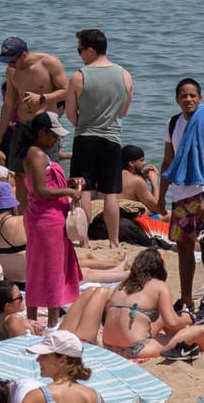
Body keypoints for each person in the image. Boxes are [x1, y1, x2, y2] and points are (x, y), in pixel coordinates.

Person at [160, 77, 204, 317]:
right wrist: (161, 196)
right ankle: (186, 299)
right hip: (180, 196)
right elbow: (168, 161)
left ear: (200, 98)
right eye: (183, 95)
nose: (188, 99)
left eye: (193, 95)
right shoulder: (172, 124)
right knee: (184, 249)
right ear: (177, 99)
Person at [65, 28, 131, 249]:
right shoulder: (124, 74)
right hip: (112, 139)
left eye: (80, 50)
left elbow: (70, 113)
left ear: (90, 50)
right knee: (111, 193)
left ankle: (84, 240)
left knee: (84, 189)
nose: (80, 54)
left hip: (85, 137)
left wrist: (82, 125)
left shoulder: (79, 76)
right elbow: (124, 110)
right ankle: (114, 241)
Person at [22, 112, 82, 325]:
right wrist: (68, 192)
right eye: (54, 135)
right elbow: (39, 190)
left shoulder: (38, 153)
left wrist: (67, 185)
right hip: (46, 220)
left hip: (47, 218)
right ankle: (50, 323)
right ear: (41, 133)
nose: (57, 139)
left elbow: (45, 185)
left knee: (42, 267)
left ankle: (36, 319)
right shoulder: (37, 154)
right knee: (51, 269)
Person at [0, 36, 67, 195]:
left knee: (47, 173)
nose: (10, 64)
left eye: (12, 60)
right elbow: (8, 104)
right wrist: (0, 135)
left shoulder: (49, 63)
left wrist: (42, 98)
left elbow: (67, 91)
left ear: (23, 55)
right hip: (22, 127)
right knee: (20, 175)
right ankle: (23, 216)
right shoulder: (12, 71)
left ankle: (48, 212)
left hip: (45, 128)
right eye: (7, 61)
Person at [21, 331, 99, 403]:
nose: (38, 359)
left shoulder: (37, 397)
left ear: (63, 360)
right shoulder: (94, 397)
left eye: (44, 355)